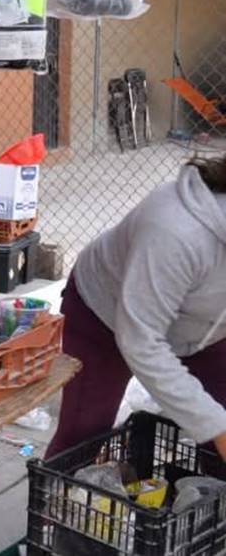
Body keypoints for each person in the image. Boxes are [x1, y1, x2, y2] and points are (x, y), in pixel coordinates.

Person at [47, 155, 226, 459]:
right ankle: (55, 502)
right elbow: (141, 342)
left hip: (207, 328)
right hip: (103, 314)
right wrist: (218, 428)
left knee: (215, 434)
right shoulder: (177, 230)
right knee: (83, 436)